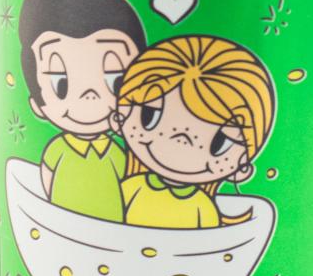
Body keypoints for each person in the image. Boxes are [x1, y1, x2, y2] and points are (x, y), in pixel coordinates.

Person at [18, 0, 146, 221]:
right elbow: (47, 178)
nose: (90, 95)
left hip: (112, 228)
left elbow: (126, 186)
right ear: (37, 105)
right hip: (61, 223)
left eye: (115, 80)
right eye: (61, 83)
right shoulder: (58, 149)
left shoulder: (115, 152)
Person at [114, 35, 277, 228]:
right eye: (149, 116)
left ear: (242, 167)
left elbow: (208, 239)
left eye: (220, 142)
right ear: (119, 119)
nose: (180, 141)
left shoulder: (202, 206)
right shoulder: (132, 187)